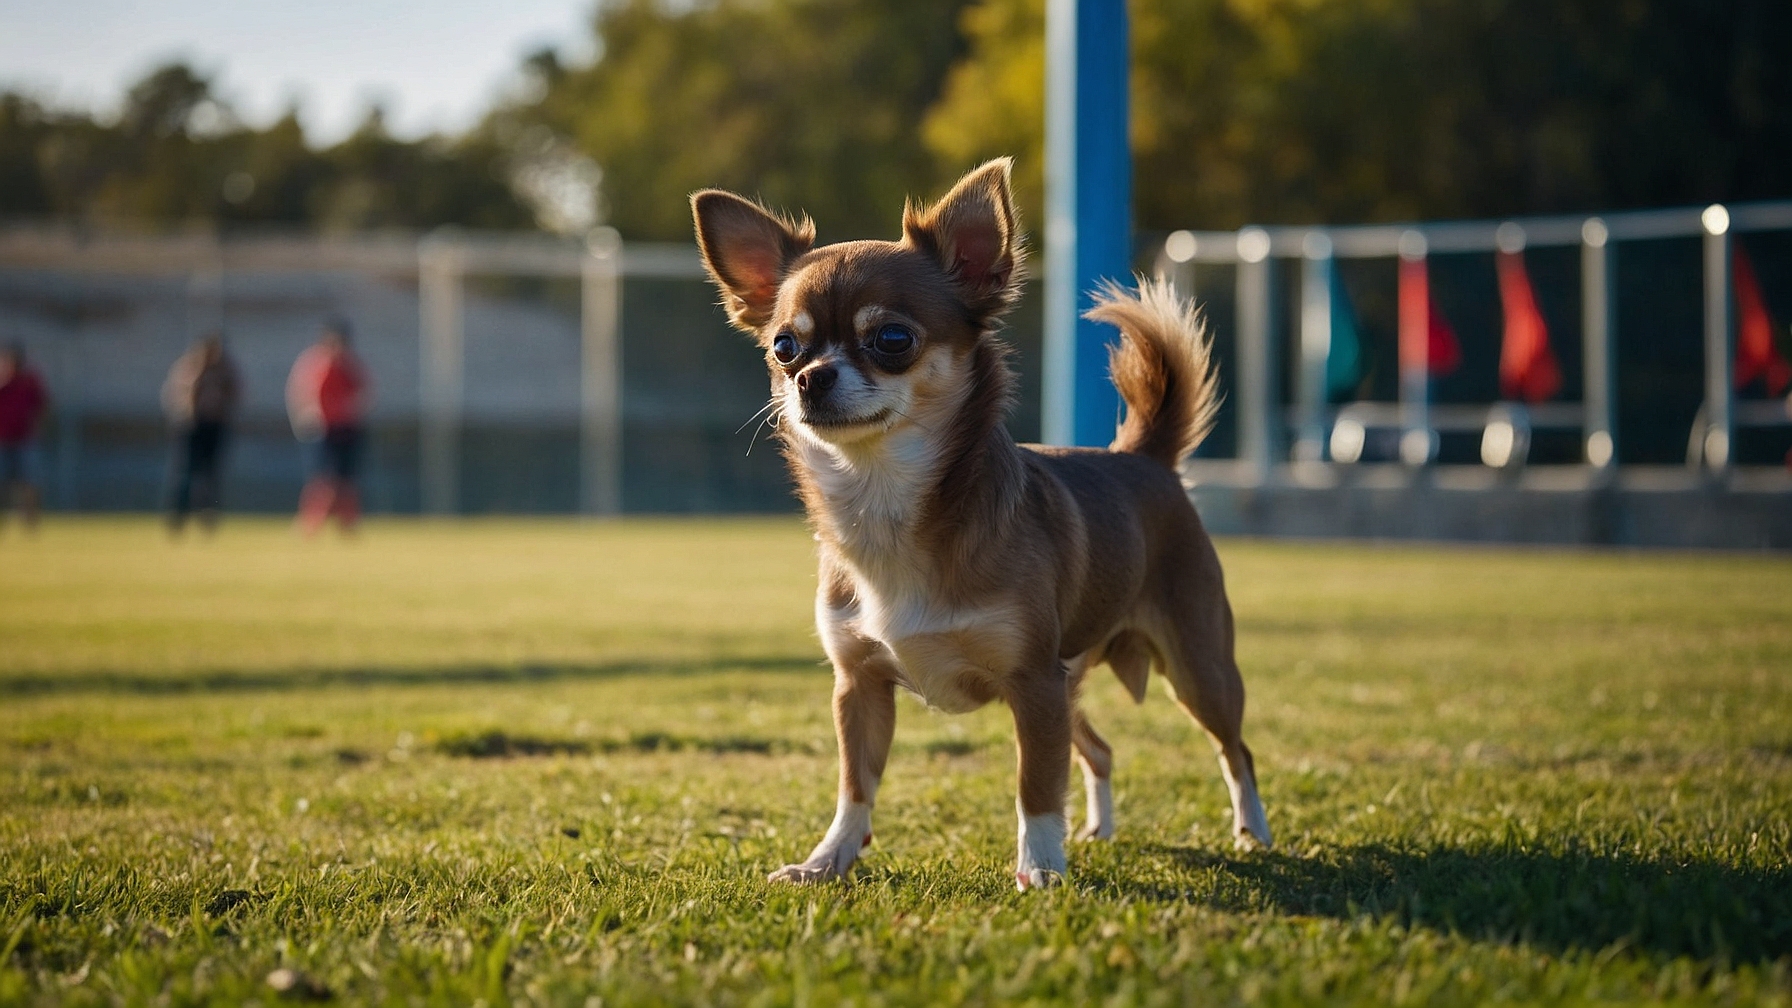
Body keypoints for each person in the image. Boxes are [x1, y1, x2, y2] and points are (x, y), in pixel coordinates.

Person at [286, 319, 370, 535]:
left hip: (346, 428)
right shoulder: (315, 363)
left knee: (347, 479)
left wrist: (354, 410)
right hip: (322, 429)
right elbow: (303, 393)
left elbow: (363, 391)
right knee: (323, 480)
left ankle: (348, 524)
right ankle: (311, 524)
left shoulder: (349, 365)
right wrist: (306, 418)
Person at [162, 332, 241, 534]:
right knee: (186, 472)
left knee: (210, 474)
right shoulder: (189, 367)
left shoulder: (224, 369)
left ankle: (207, 516)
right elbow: (175, 394)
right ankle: (178, 516)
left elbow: (236, 392)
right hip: (191, 426)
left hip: (215, 425)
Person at [0, 343, 50, 532]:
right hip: (2, 440)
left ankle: (30, 523)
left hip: (25, 440)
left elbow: (42, 406)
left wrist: (38, 429)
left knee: (30, 481)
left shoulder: (29, 381)